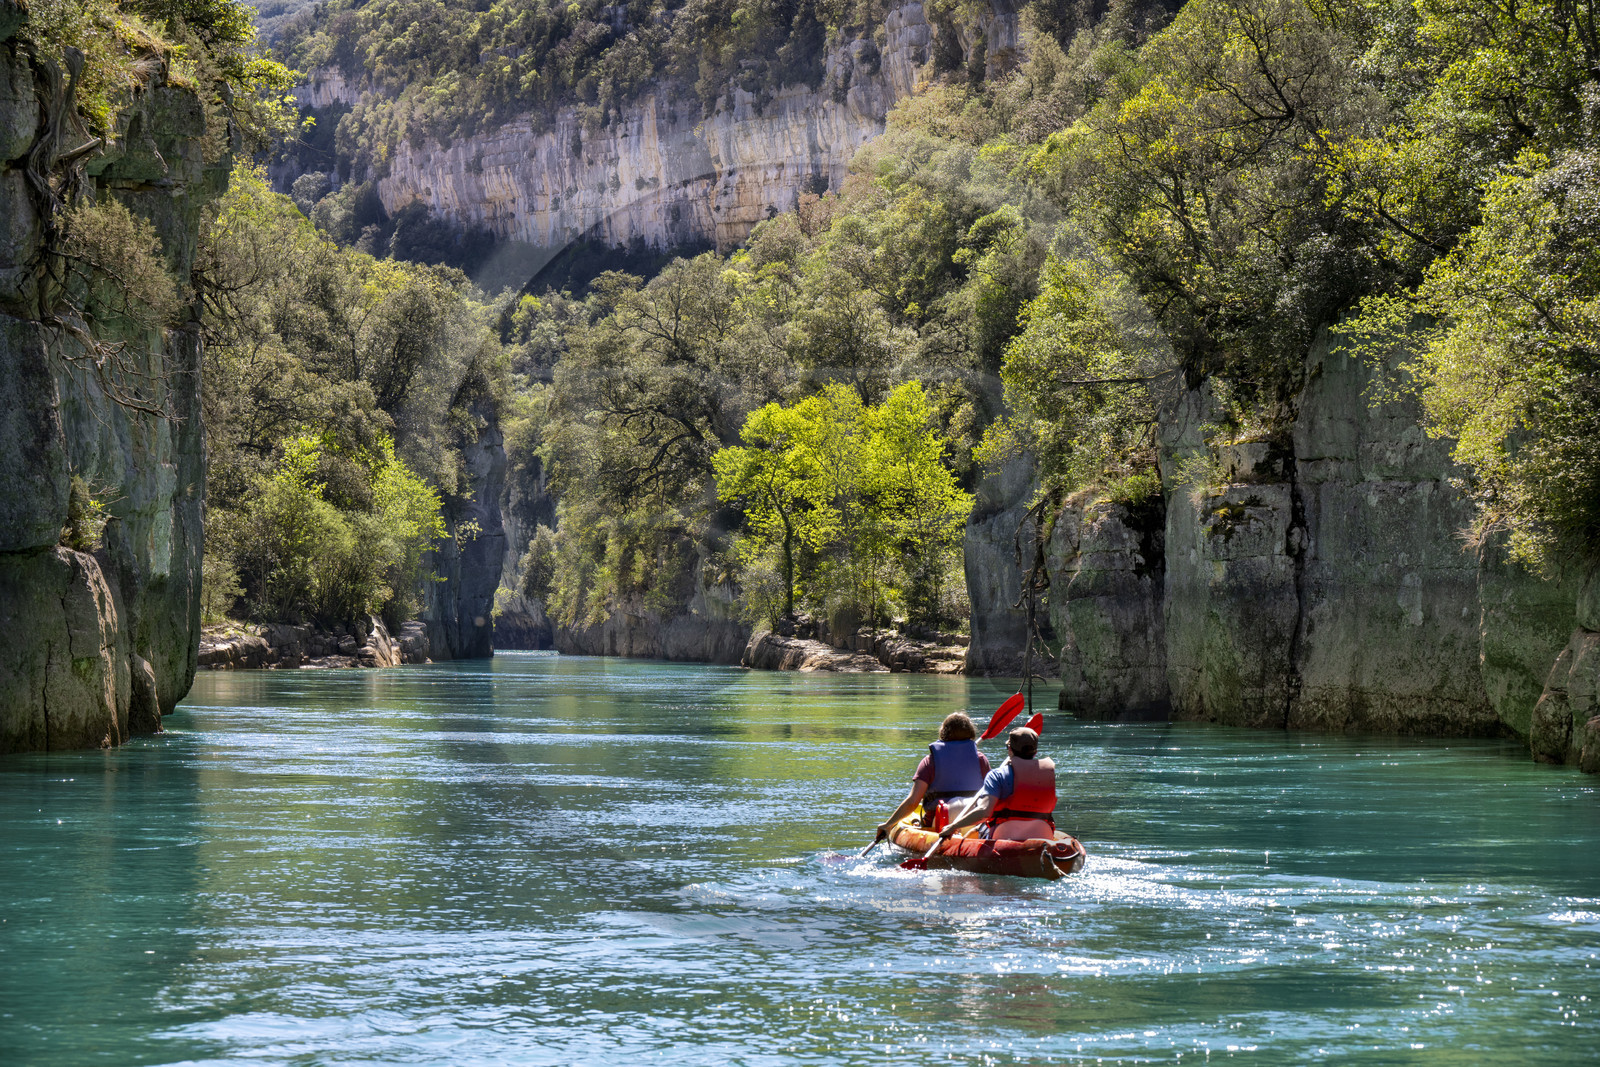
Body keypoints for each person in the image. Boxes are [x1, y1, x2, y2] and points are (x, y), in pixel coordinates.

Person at [928, 725, 1057, 845]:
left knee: (979, 827)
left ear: (1009, 749)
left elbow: (984, 812)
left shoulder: (996, 775)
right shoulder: (1047, 774)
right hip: (1043, 834)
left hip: (1004, 835)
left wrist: (953, 826)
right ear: (1035, 752)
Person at [875, 712, 992, 838]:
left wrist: (889, 824)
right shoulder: (981, 759)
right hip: (973, 817)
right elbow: (991, 796)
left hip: (940, 821)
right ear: (970, 733)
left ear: (943, 733)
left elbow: (913, 802)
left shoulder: (930, 761)